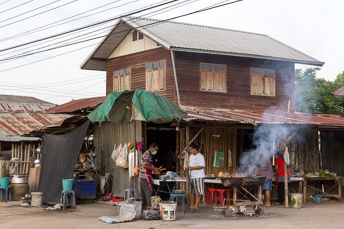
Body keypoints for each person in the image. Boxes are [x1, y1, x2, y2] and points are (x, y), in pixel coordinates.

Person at [139, 143, 158, 210]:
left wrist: (153, 167)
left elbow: (148, 164)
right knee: (148, 192)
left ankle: (143, 210)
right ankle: (149, 209)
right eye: (155, 149)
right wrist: (153, 169)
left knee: (143, 194)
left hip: (142, 176)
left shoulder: (148, 154)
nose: (155, 151)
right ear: (151, 148)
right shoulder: (147, 154)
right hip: (145, 176)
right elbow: (144, 166)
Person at [188, 143, 205, 211]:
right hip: (192, 176)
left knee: (198, 192)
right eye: (189, 150)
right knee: (192, 192)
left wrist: (192, 168)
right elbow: (189, 165)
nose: (190, 151)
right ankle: (192, 205)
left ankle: (196, 206)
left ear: (195, 149)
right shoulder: (191, 156)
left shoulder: (200, 156)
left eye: (191, 149)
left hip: (199, 176)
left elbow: (202, 166)